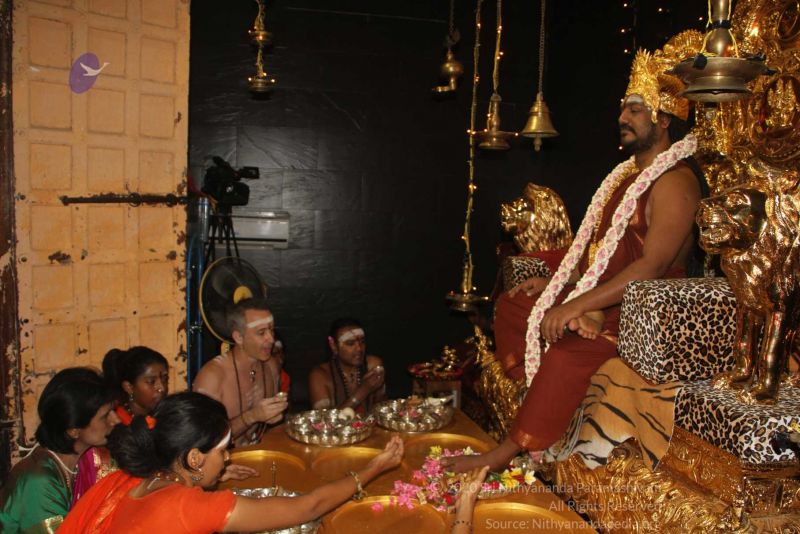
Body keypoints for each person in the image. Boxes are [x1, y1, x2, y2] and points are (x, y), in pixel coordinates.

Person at [444, 41, 705, 473]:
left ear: (662, 120)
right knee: (513, 306)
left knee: (564, 352)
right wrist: (557, 281)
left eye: (634, 110)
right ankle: (543, 398)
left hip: (643, 311)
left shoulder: (675, 181)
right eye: (622, 110)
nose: (622, 118)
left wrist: (577, 305)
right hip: (606, 294)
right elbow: (599, 248)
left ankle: (505, 452)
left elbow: (652, 267)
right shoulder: (626, 177)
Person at [59, 392, 405, 533]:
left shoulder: (131, 478)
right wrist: (374, 467)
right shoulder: (187, 505)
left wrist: (210, 477)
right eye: (223, 450)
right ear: (194, 458)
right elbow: (308, 506)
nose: (228, 457)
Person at [0, 368, 120, 532]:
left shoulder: (93, 458)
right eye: (106, 416)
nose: (116, 420)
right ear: (73, 430)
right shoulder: (38, 482)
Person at [193, 298, 288, 447]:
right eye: (261, 332)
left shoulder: (271, 365)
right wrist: (252, 416)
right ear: (238, 337)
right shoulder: (213, 376)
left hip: (259, 452)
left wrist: (275, 415)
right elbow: (204, 441)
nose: (271, 339)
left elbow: (270, 428)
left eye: (271, 330)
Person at [308, 318, 386, 413]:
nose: (359, 349)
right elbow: (325, 420)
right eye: (350, 343)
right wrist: (363, 390)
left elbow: (382, 409)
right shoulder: (320, 375)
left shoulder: (372, 365)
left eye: (362, 342)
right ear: (333, 345)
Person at [102, 346, 169, 421]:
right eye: (151, 381)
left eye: (165, 379)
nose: (162, 388)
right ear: (129, 387)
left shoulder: (167, 416)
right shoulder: (115, 422)